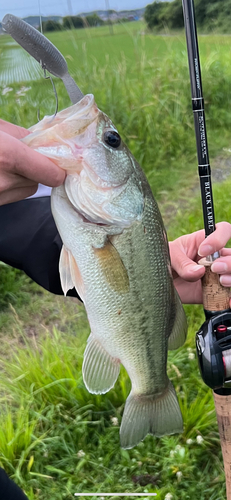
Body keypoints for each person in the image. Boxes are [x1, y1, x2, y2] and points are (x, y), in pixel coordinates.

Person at [0, 119, 231, 499]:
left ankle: (151, 389)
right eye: (112, 141)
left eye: (110, 141)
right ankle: (151, 391)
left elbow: (17, 222)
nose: (105, 140)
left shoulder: (90, 208)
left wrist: (155, 274)